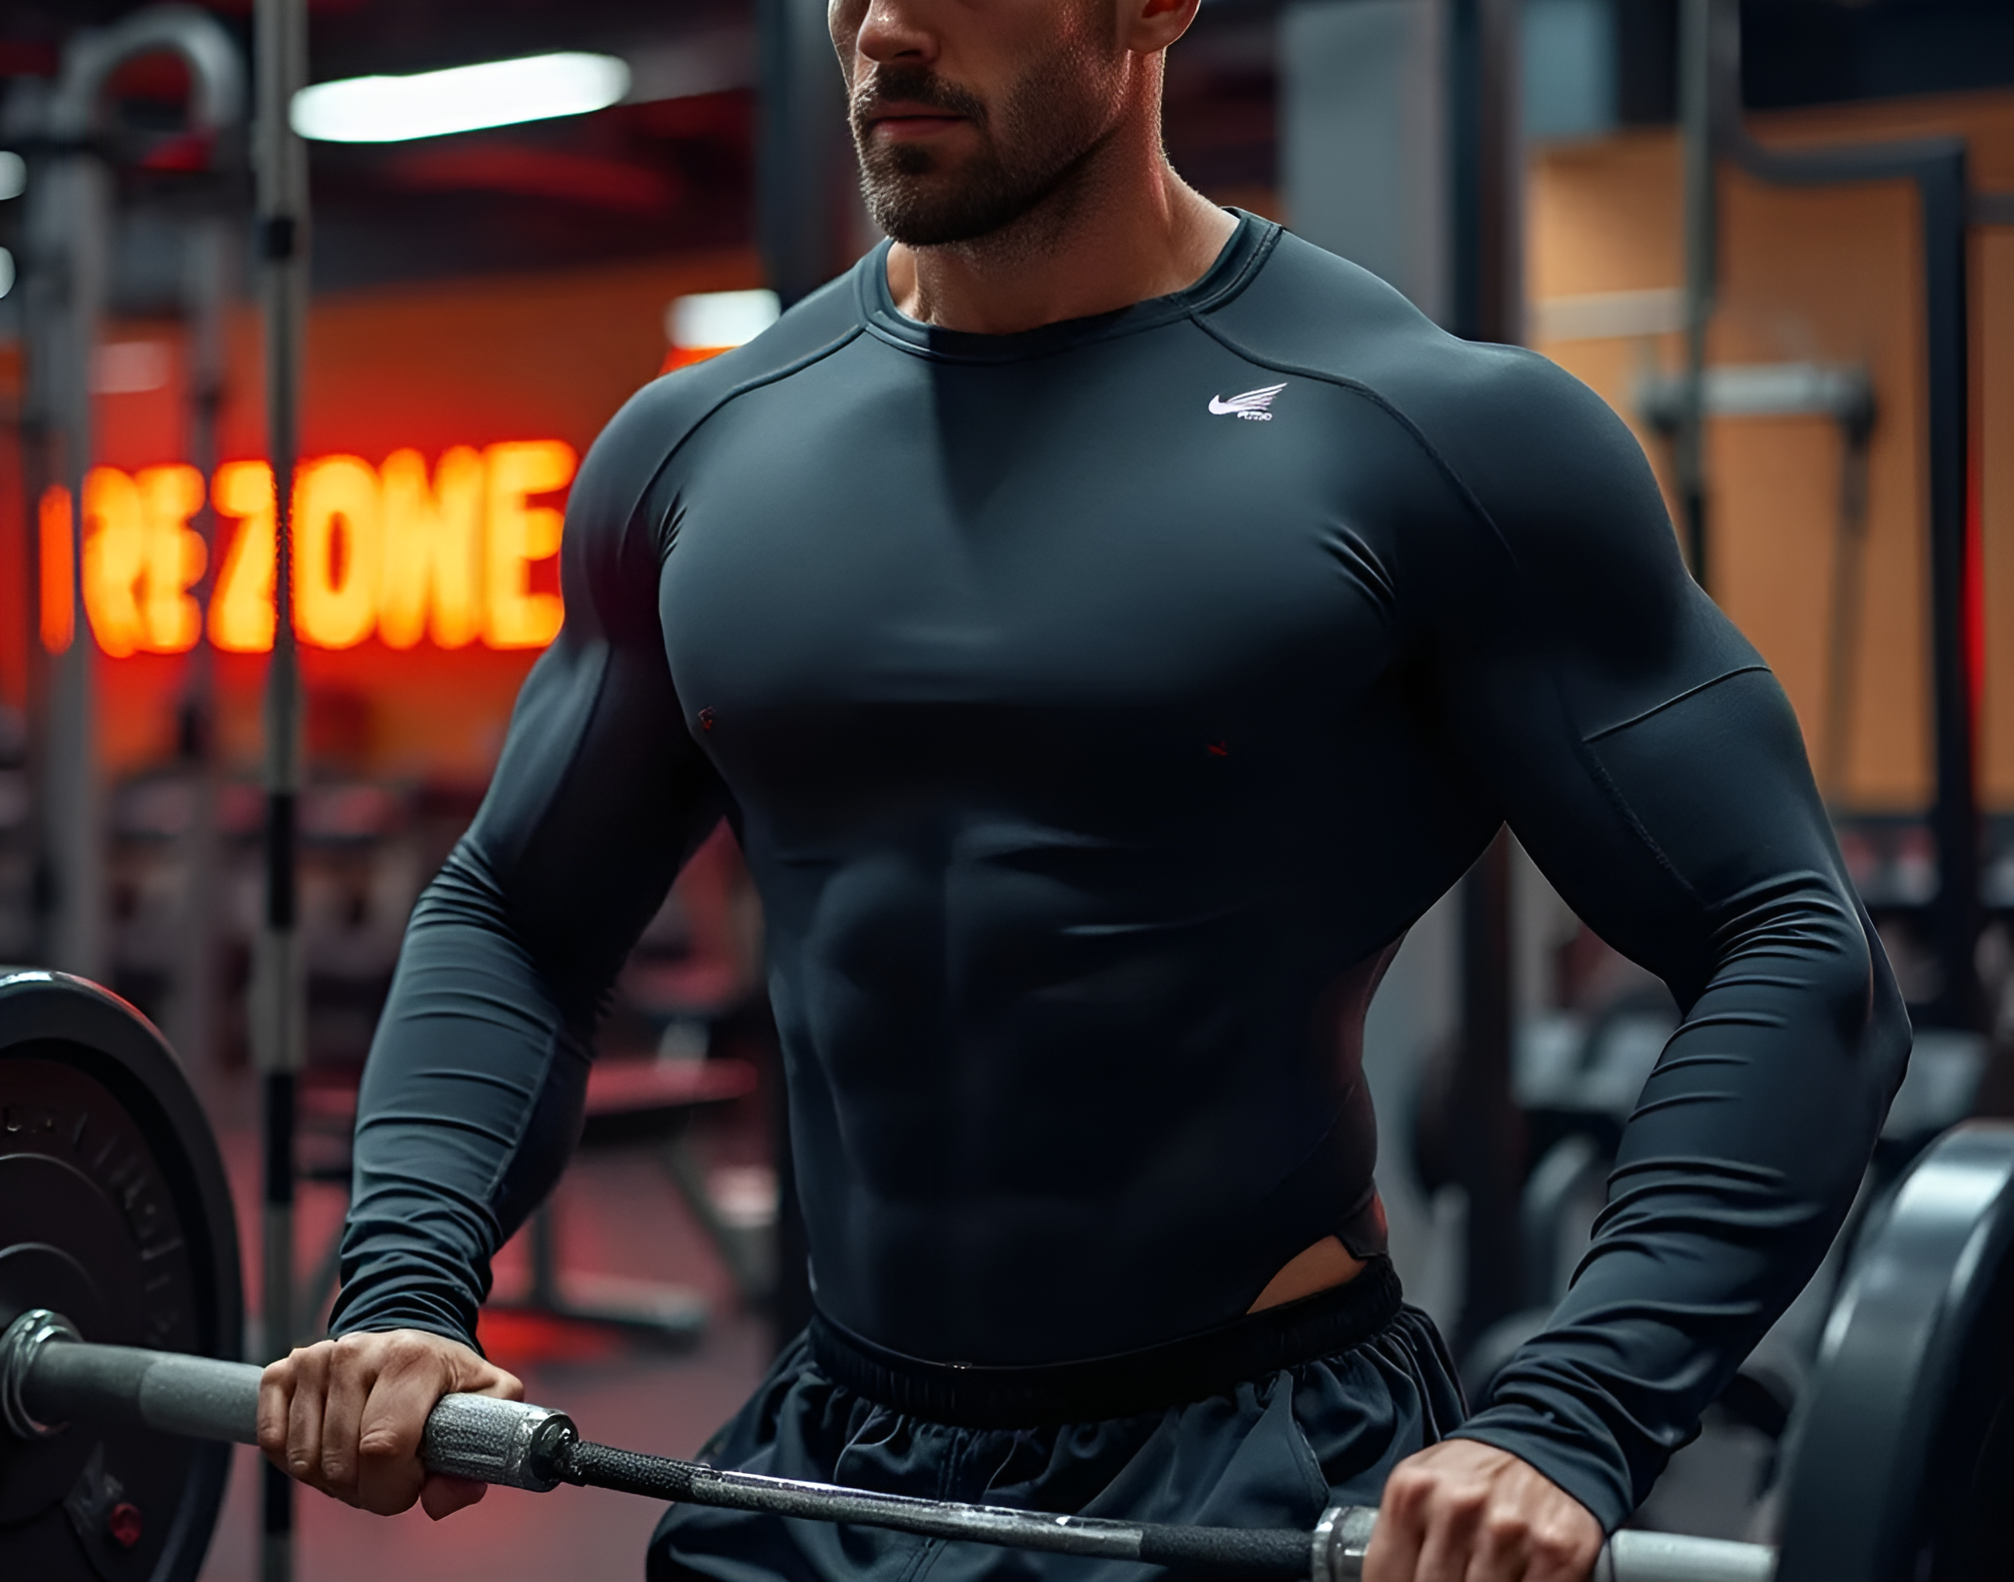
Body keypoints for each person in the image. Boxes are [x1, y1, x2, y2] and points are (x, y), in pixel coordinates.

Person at [257, 0, 1911, 1575]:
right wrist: (408, 1278)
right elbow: (518, 912)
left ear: (1155, 7)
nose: (887, 27)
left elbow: (1788, 947)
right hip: (827, 1449)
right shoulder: (695, 451)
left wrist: (1572, 1415)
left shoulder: (1430, 435)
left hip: (1255, 1460)